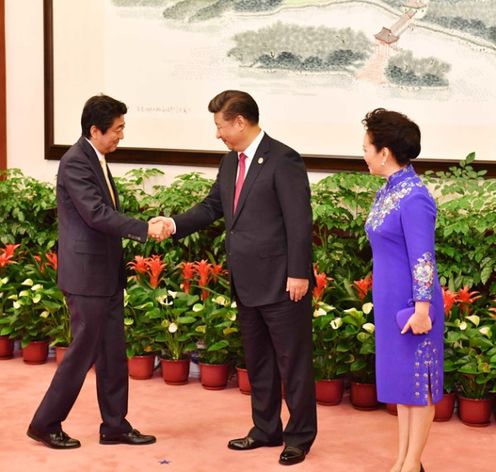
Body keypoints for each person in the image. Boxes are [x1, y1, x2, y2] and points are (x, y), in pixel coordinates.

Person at [157, 90, 317, 466]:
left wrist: (298, 272)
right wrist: (174, 223)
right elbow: (214, 206)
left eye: (220, 126)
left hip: (282, 282)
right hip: (246, 280)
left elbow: (299, 221)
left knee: (293, 363)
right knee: (258, 361)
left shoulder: (283, 159)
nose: (218, 134)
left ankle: (299, 437)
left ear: (240, 122)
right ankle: (265, 429)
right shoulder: (231, 162)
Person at [27, 94, 166, 449]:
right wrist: (143, 228)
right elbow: (96, 215)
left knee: (112, 354)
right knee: (82, 353)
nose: (121, 135)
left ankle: (115, 425)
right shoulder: (76, 162)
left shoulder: (97, 157)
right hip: (87, 277)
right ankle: (45, 423)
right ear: (95, 129)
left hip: (105, 275)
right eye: (117, 129)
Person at [362, 108, 443, 472]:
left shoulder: (415, 198)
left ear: (384, 152)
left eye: (366, 147)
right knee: (401, 386)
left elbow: (423, 258)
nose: (363, 154)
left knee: (418, 385)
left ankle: (412, 464)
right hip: (389, 302)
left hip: (414, 306)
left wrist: (422, 309)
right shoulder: (388, 191)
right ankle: (402, 459)